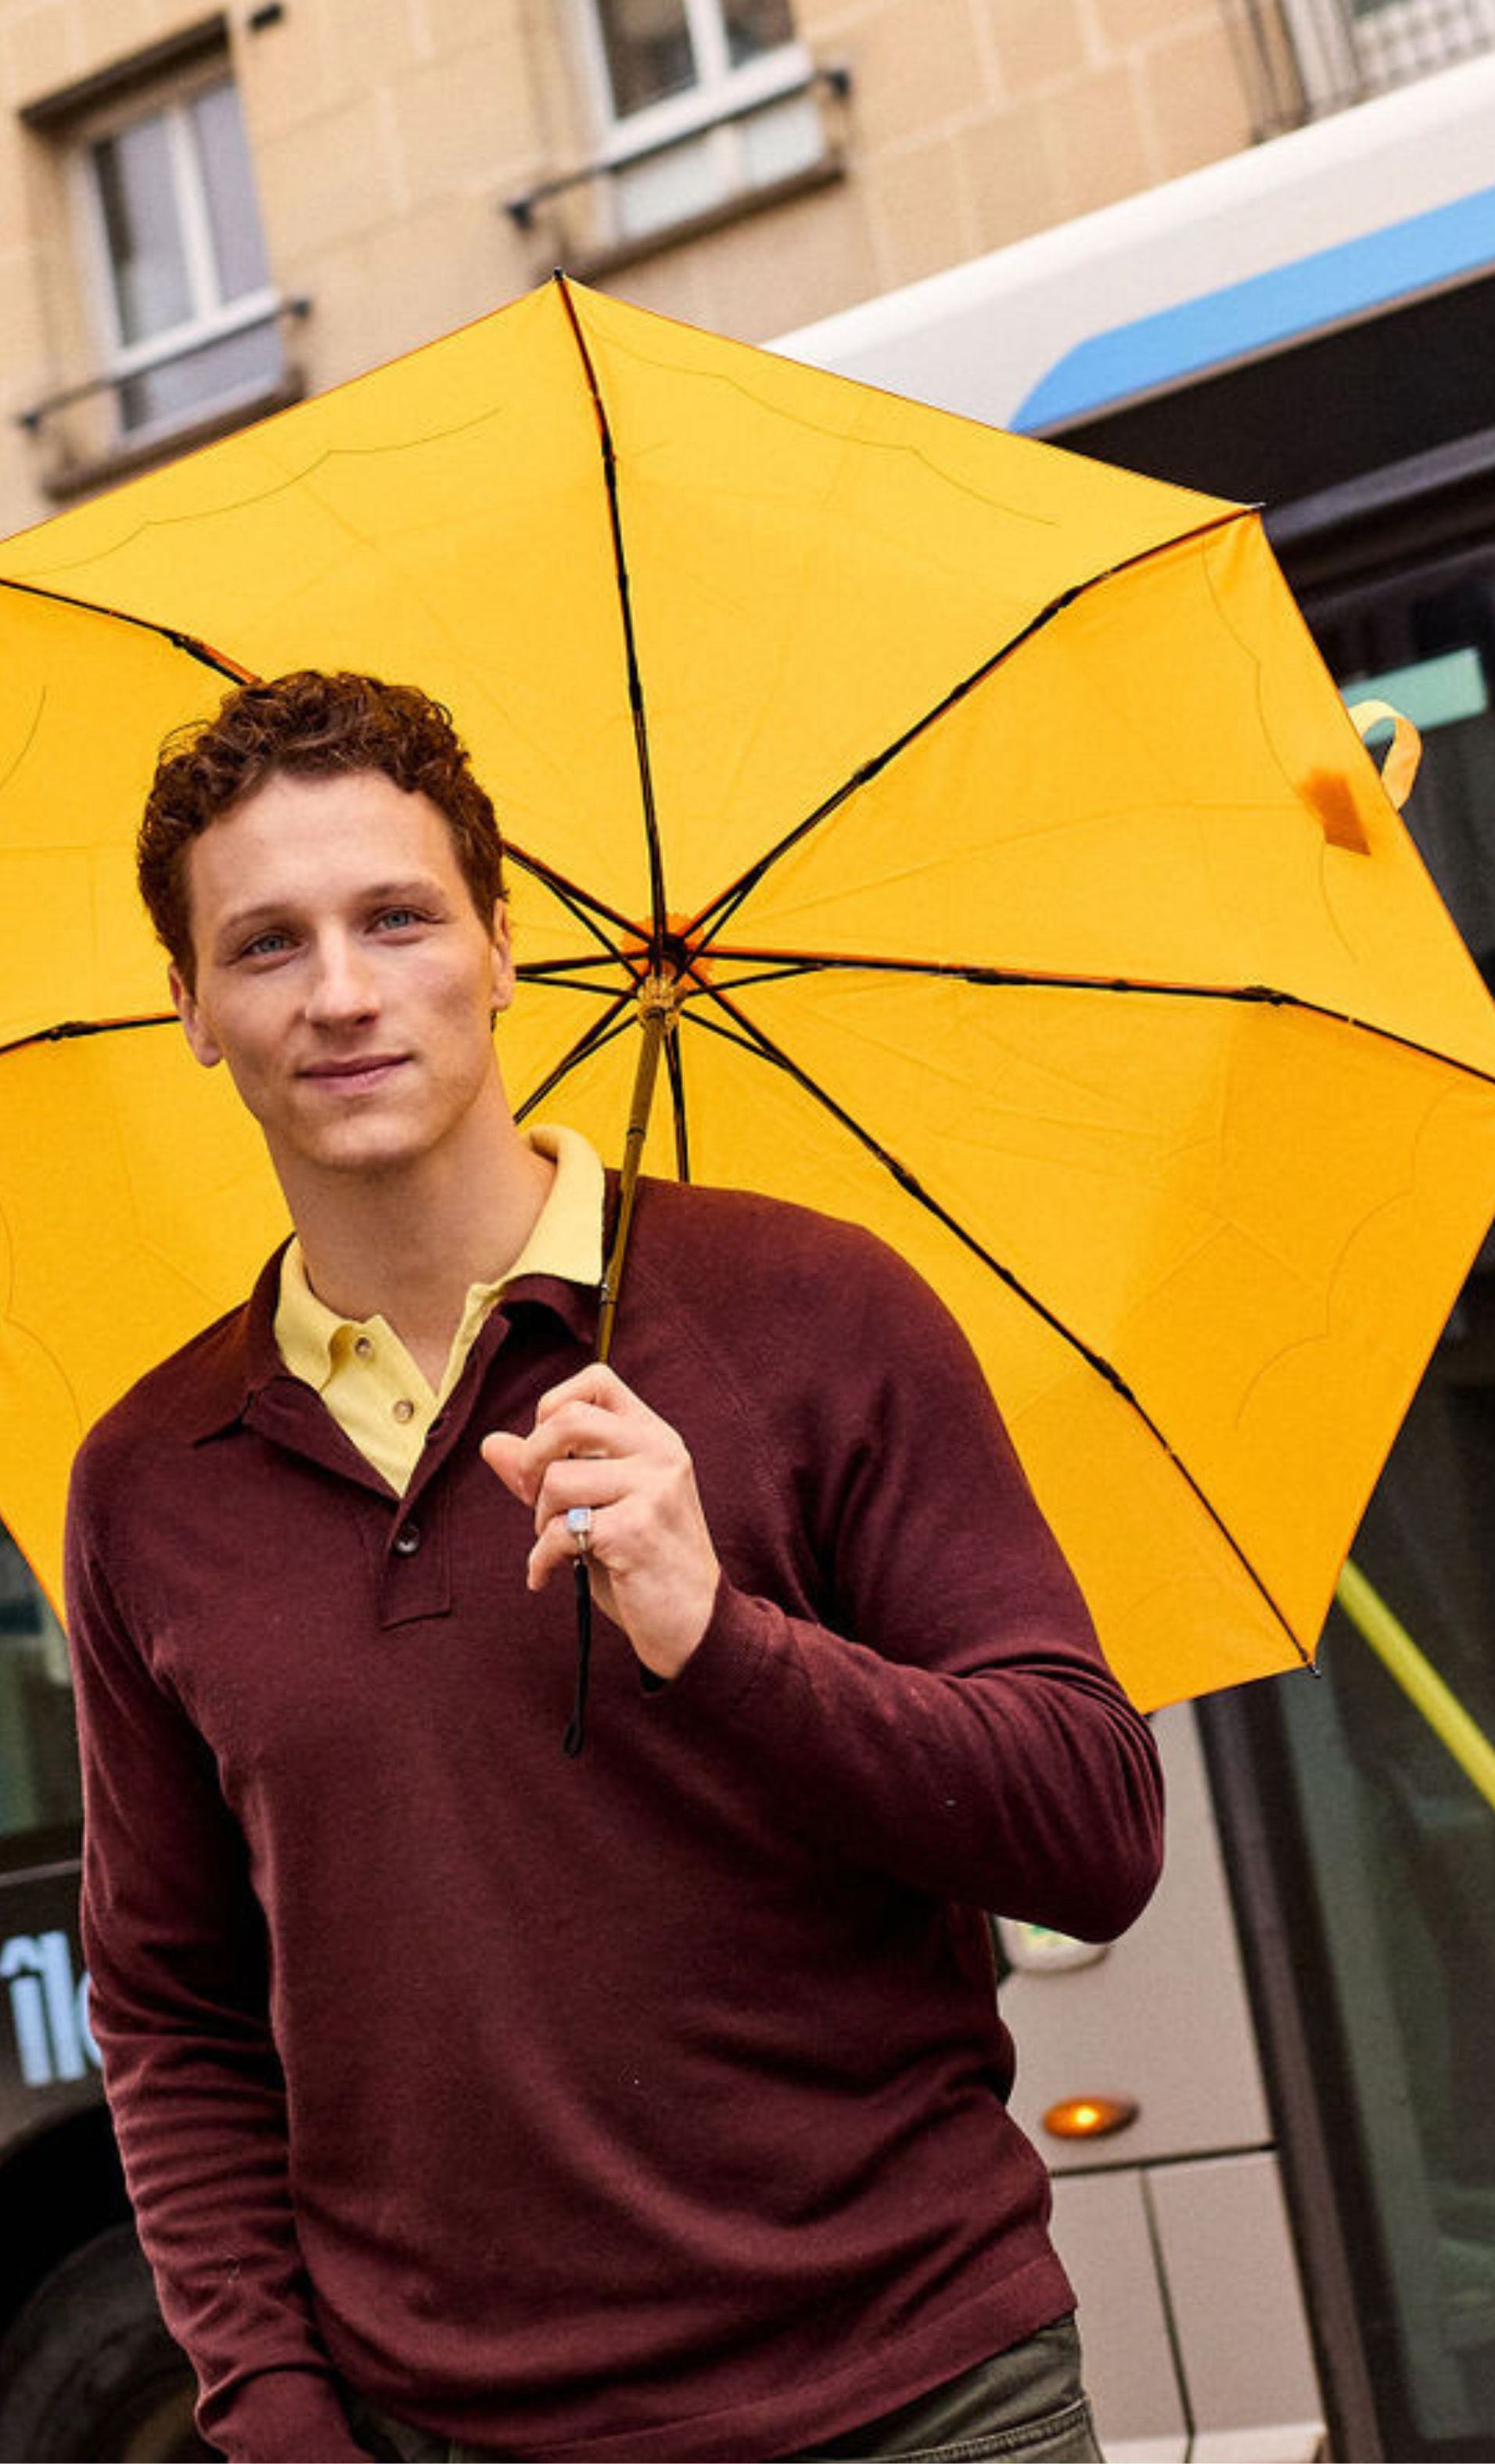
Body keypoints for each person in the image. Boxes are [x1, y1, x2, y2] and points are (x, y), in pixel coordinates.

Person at [64, 669, 1165, 2464]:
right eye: (267, 945)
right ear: (189, 1006)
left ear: (501, 949)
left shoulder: (817, 1311)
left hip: (919, 2401)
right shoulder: (146, 1481)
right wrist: (275, 2418)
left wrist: (719, 1637)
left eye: (398, 917)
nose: (342, 991)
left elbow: (1095, 1831)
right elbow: (174, 2010)